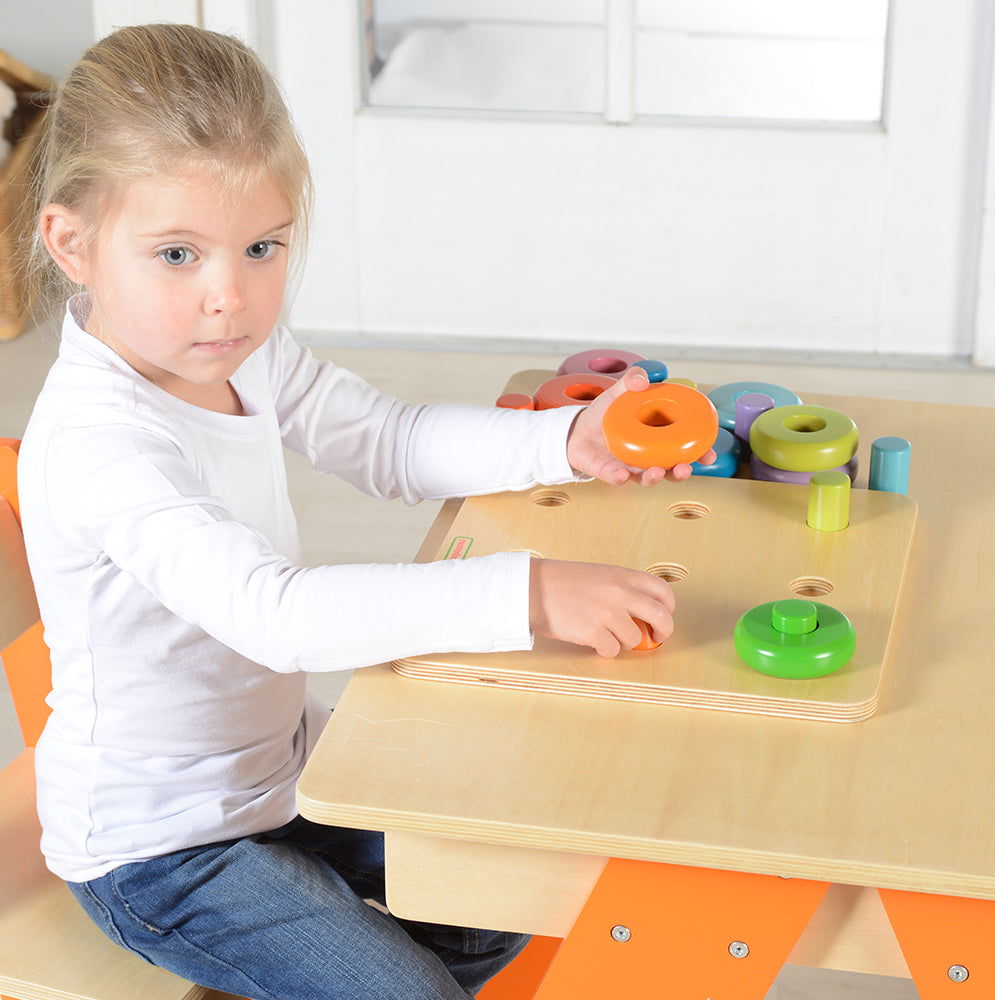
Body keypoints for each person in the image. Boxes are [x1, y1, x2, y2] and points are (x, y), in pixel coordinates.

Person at [19, 23, 709, 1000]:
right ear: (73, 244)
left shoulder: (241, 354)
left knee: (515, 882)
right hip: (161, 853)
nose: (229, 297)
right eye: (177, 254)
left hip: (284, 773)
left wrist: (565, 442)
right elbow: (277, 614)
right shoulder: (103, 444)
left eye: (261, 247)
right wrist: (526, 594)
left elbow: (387, 440)